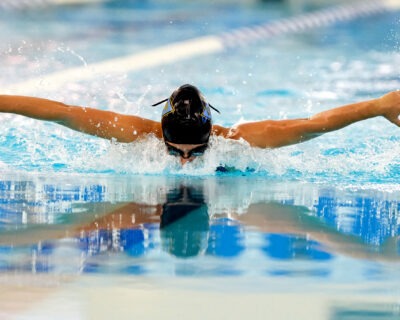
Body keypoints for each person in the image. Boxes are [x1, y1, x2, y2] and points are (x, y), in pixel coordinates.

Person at [0, 84, 399, 165]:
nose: (185, 162)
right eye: (175, 152)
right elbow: (60, 111)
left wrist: (380, 105)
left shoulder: (241, 140)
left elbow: (315, 124)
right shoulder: (135, 132)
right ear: (162, 135)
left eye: (197, 152)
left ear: (213, 136)